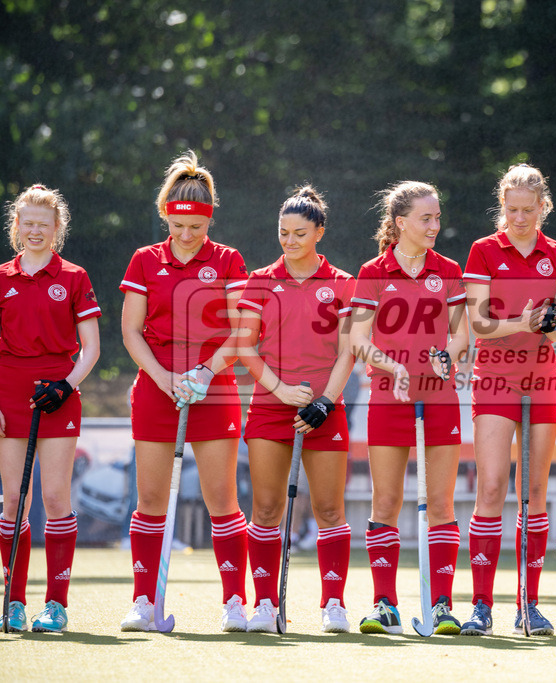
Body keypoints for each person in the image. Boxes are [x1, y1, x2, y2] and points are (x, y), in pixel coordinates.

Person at [202, 186, 355, 633]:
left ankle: (333, 604)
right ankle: (265, 605)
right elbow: (245, 348)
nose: (289, 241)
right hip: (271, 407)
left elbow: (349, 351)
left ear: (319, 233)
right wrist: (281, 390)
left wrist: (325, 400)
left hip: (326, 409)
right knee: (266, 510)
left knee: (329, 510)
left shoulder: (343, 283)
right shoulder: (259, 281)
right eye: (283, 233)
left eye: (299, 233)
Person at [118, 151, 250, 632]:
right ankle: (144, 602)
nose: (187, 236)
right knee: (151, 498)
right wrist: (164, 377)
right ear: (166, 216)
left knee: (221, 498)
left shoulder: (229, 260)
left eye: (195, 226)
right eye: (177, 226)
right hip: (157, 387)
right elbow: (131, 331)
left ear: (209, 218)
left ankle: (235, 602)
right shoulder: (144, 260)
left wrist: (205, 372)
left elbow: (242, 333)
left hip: (213, 388)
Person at [350, 181, 469, 635]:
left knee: (439, 501)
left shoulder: (448, 269)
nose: (435, 226)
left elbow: (462, 332)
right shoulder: (373, 271)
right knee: (387, 500)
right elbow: (359, 339)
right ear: (401, 223)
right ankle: (385, 604)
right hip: (389, 397)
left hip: (440, 397)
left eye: (437, 217)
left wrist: (450, 355)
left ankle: (441, 605)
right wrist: (390, 364)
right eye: (426, 218)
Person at [459, 164, 556, 636]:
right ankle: (482, 606)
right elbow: (479, 323)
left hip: (544, 377)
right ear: (501, 206)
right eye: (511, 209)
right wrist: (523, 324)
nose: (519, 219)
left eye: (528, 210)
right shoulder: (485, 250)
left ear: (543, 207)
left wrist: (550, 323)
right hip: (495, 376)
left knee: (536, 492)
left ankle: (530, 603)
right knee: (491, 487)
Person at [0, 185, 101, 633]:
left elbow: (92, 348)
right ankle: (14, 602)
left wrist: (66, 386)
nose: (35, 230)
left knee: (56, 497)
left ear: (58, 228)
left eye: (44, 223)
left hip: (58, 393)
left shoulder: (75, 277)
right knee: (13, 502)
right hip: (8, 394)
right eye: (28, 222)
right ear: (16, 226)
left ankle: (55, 606)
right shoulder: (2, 277)